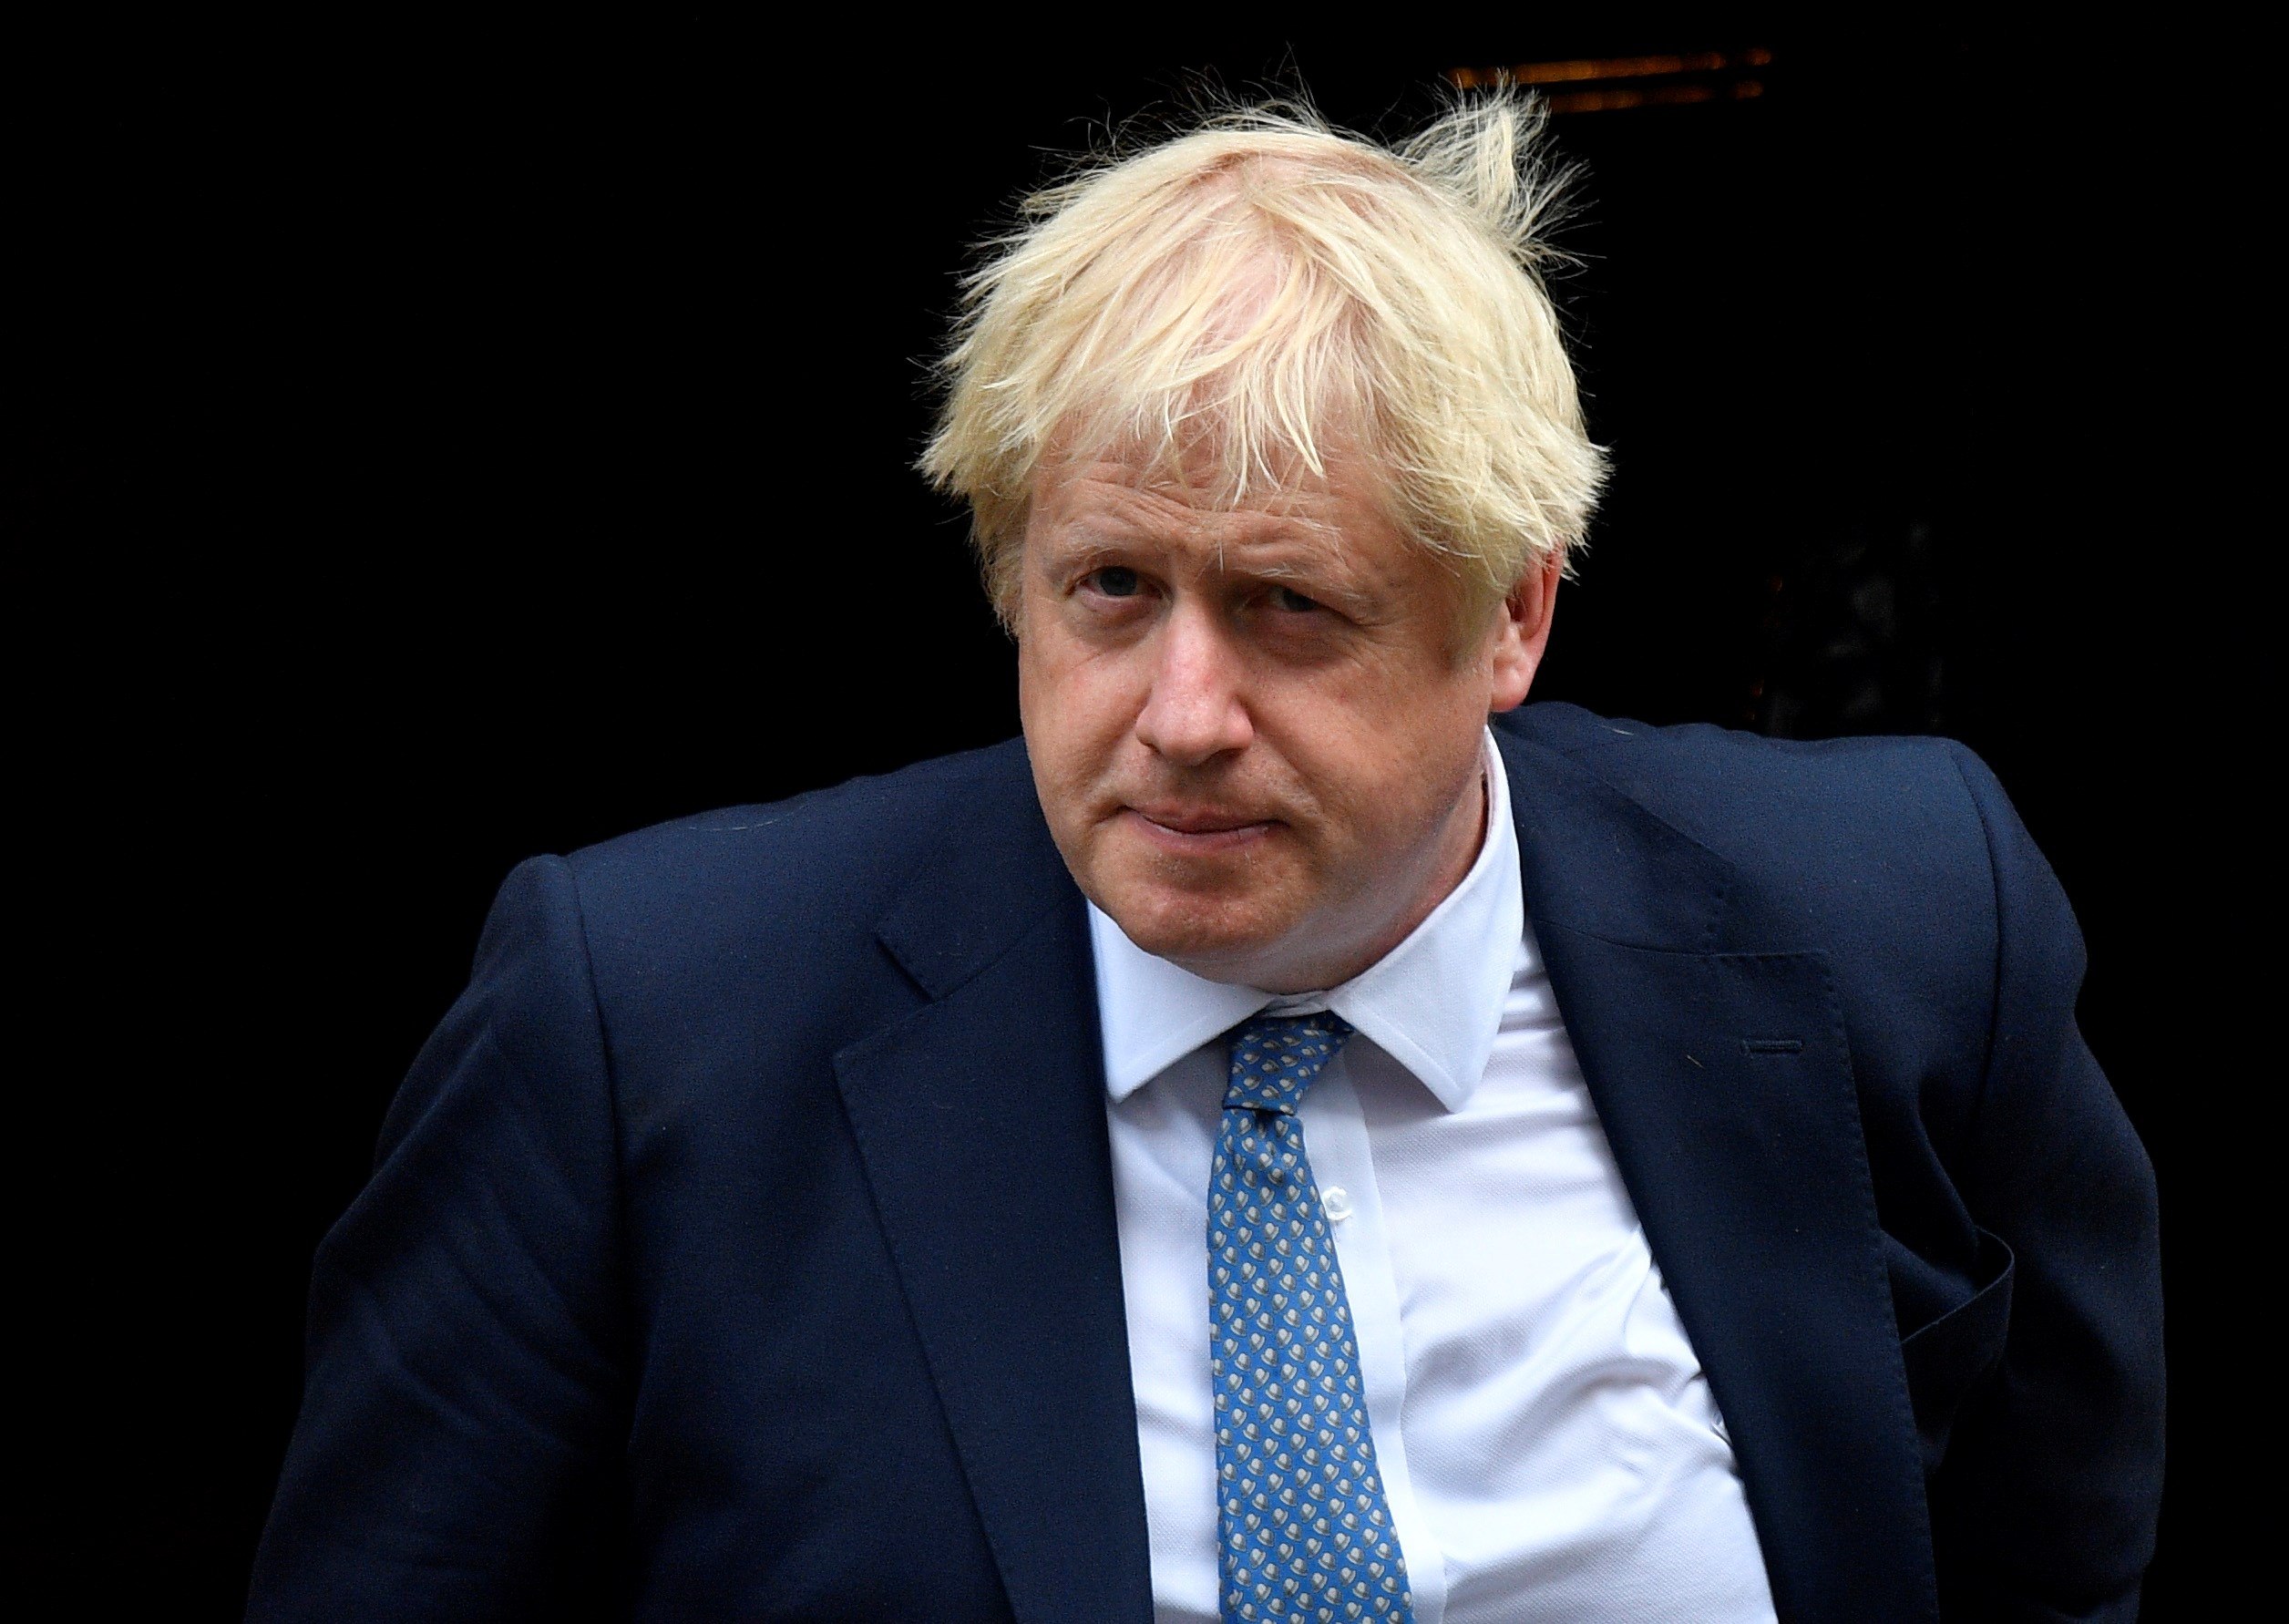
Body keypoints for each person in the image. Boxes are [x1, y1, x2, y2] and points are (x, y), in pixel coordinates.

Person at [248, 97, 2162, 1623]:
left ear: (1512, 616)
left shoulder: (1897, 927)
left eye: (1285, 605)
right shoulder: (645, 1025)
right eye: (1107, 587)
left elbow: (2050, 1560)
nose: (1179, 712)